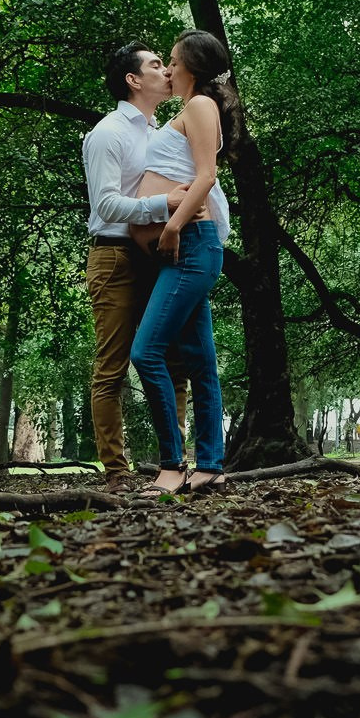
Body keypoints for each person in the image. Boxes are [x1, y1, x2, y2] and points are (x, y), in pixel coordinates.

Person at [81, 43, 189, 492]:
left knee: (175, 359)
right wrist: (164, 202)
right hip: (115, 256)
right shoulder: (108, 133)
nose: (166, 70)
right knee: (113, 368)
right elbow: (104, 204)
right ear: (133, 80)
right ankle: (117, 473)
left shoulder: (160, 131)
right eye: (156, 65)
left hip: (158, 256)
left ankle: (175, 462)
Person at [130, 28, 233, 495]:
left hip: (189, 244)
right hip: (185, 246)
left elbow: (206, 176)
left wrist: (170, 227)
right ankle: (211, 464)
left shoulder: (199, 105)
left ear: (191, 65)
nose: (168, 69)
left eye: (172, 61)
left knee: (145, 351)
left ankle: (172, 465)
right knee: (200, 361)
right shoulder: (189, 110)